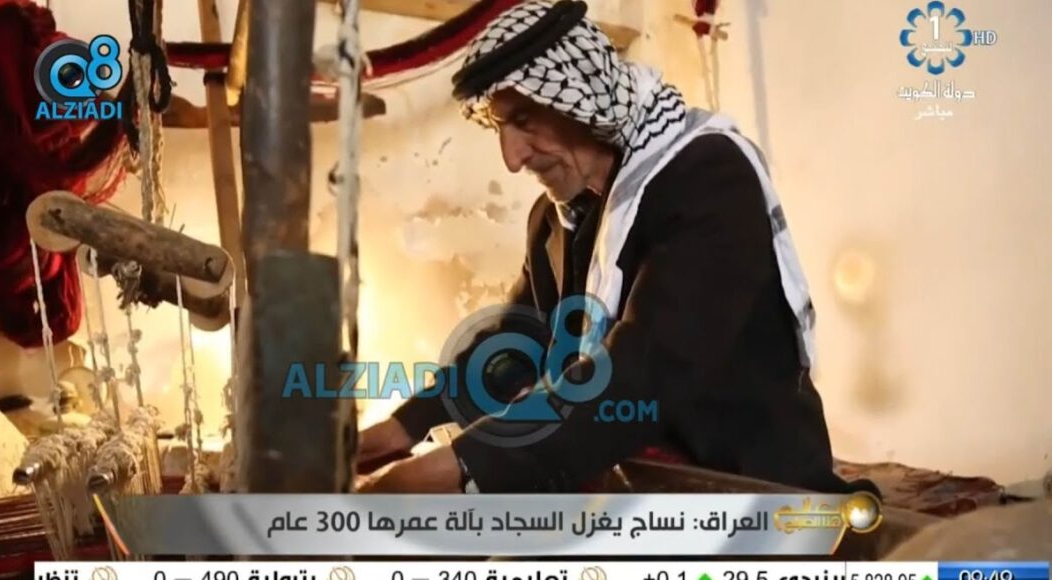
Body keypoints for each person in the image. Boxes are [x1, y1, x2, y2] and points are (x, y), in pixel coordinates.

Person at [357, 0, 872, 496]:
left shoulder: (707, 177)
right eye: (500, 126)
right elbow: (518, 343)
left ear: (580, 95)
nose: (512, 159)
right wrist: (401, 430)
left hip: (747, 487)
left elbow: (642, 375)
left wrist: (463, 465)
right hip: (637, 483)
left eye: (525, 119)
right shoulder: (555, 218)